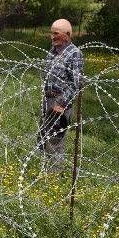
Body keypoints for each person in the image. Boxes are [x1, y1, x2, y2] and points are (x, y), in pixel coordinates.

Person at [38, 19, 84, 173]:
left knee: (55, 141)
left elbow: (76, 83)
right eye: (51, 33)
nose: (52, 36)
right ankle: (42, 170)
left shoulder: (74, 54)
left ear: (67, 35)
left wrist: (63, 103)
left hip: (60, 102)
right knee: (43, 136)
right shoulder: (52, 52)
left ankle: (52, 177)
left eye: (55, 33)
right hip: (48, 100)